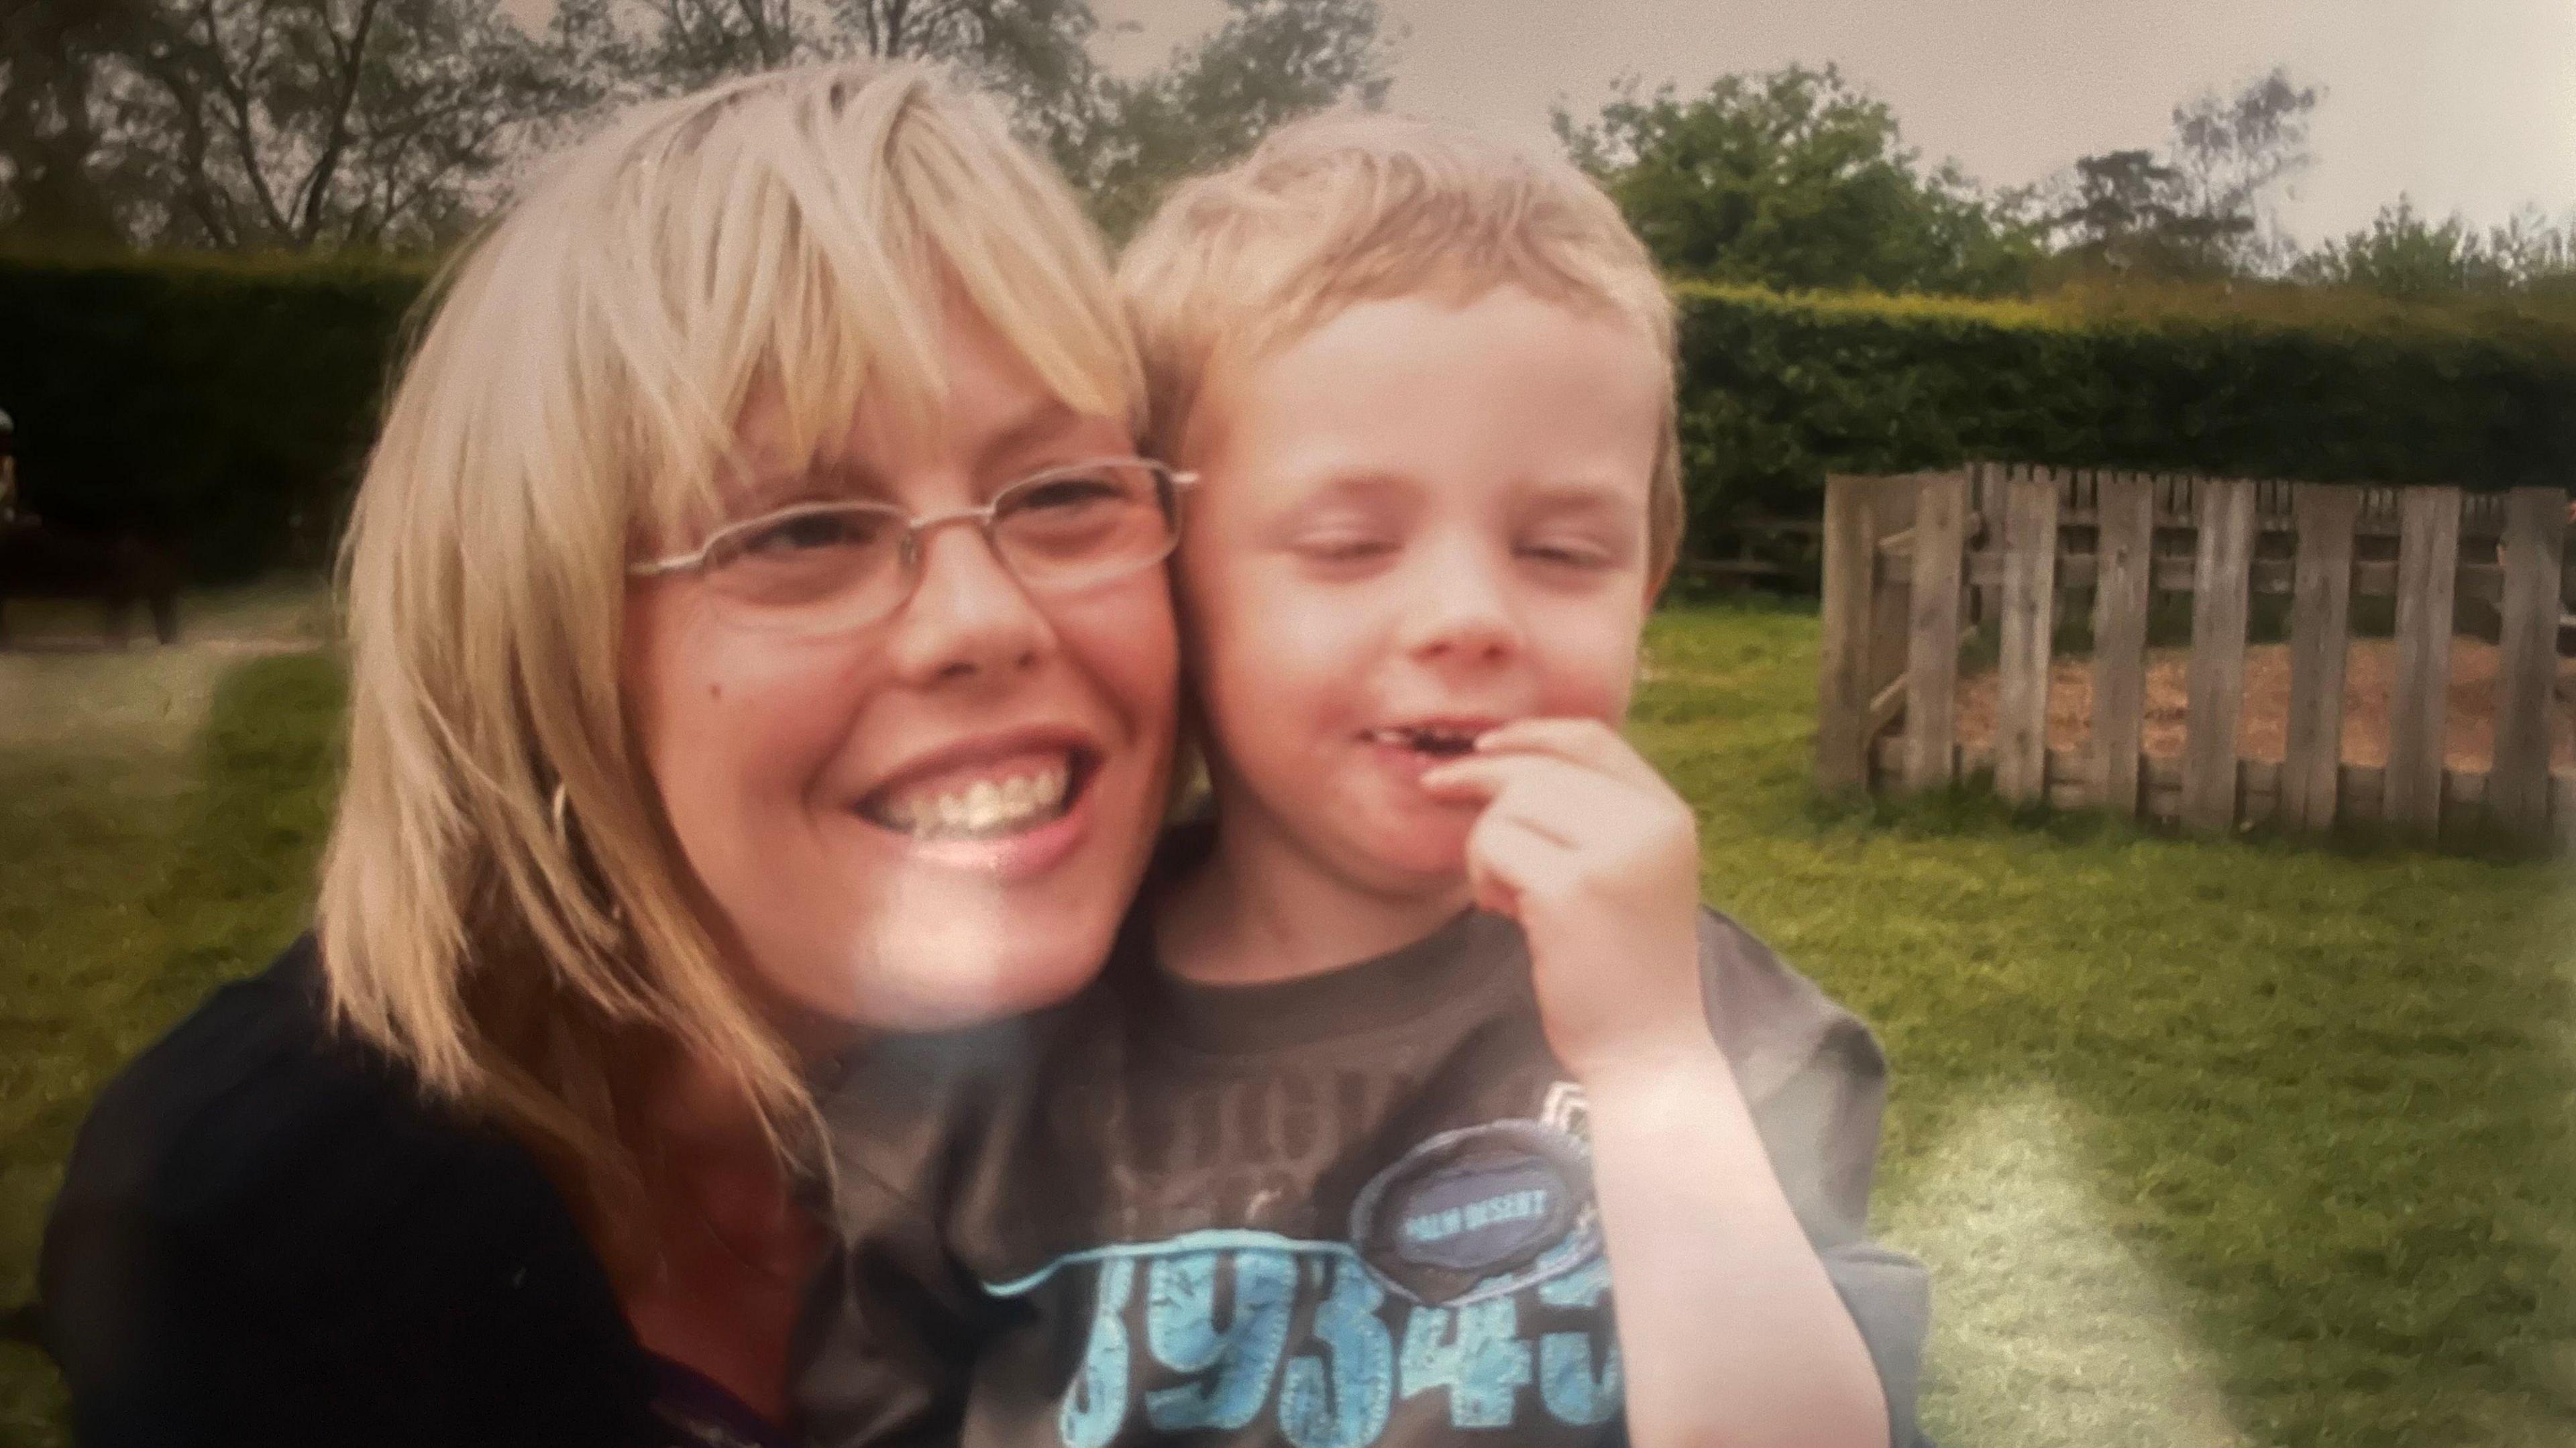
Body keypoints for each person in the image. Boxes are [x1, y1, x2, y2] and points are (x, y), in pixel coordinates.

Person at [38, 60, 1184, 1447]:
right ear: (546, 659)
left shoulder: (1323, 1062)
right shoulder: (270, 1252)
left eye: (1064, 492)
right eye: (803, 531)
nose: (986, 618)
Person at [798, 115, 1931, 1448]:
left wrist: (1650, 1067)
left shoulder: (1722, 1031)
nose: (1469, 616)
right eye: (1347, 547)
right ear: (1168, 575)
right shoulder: (980, 1075)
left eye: (1564, 552)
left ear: (1649, 586)